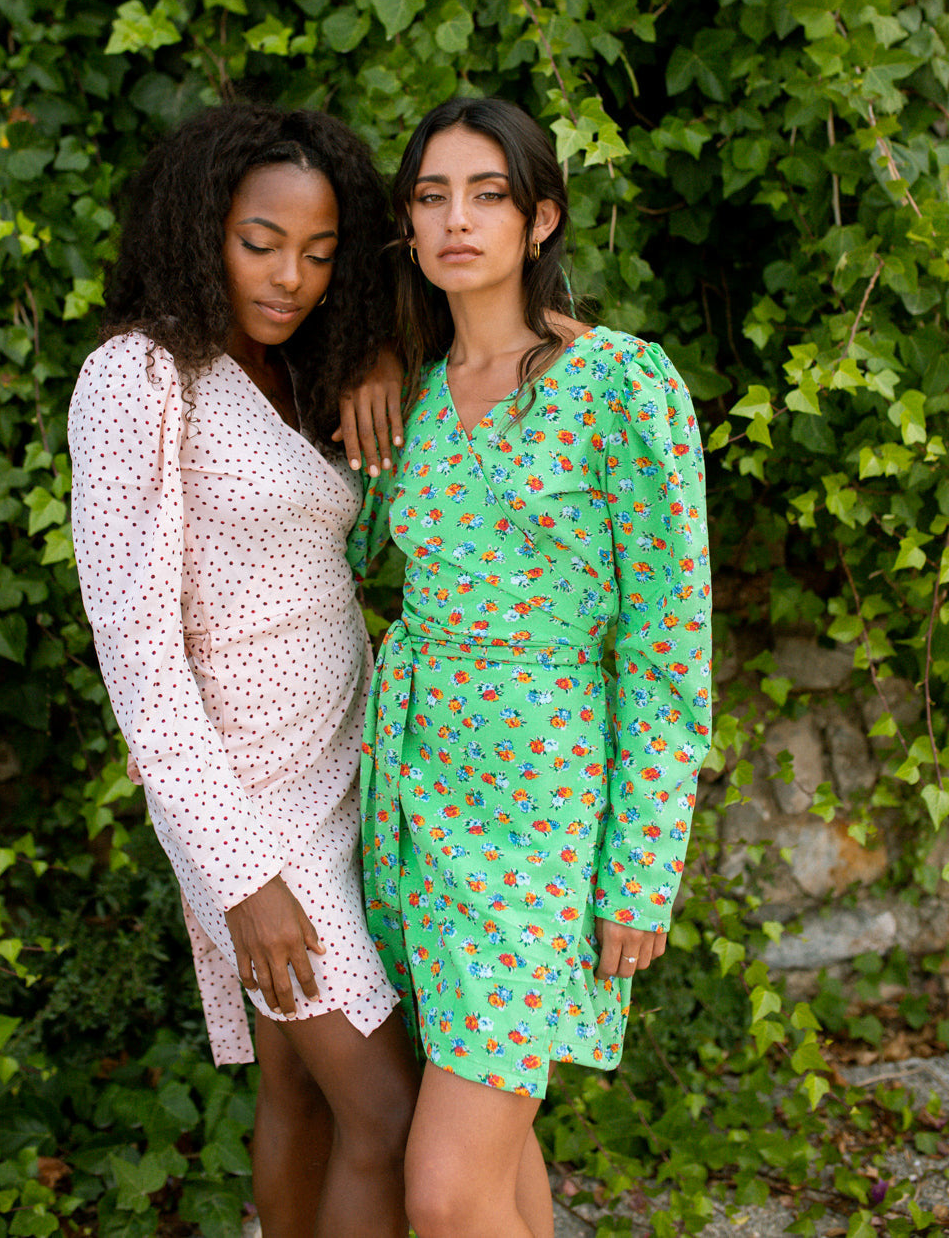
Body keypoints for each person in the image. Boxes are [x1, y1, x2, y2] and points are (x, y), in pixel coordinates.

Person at [351, 97, 712, 1238]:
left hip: (544, 820)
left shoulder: (618, 387)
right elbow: (349, 552)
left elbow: (667, 652)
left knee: (446, 1192)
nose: (459, 219)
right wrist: (366, 358)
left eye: (488, 193)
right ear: (407, 227)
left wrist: (641, 869)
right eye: (431, 195)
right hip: (417, 804)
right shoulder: (403, 399)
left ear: (540, 217)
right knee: (500, 1177)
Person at [67, 102, 418, 1238]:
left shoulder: (284, 366)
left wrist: (375, 347)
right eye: (261, 242)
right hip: (247, 801)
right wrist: (239, 875)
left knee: (298, 1090)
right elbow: (139, 654)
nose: (291, 277)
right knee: (387, 1110)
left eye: (320, 254)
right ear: (201, 228)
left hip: (343, 769)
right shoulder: (139, 378)